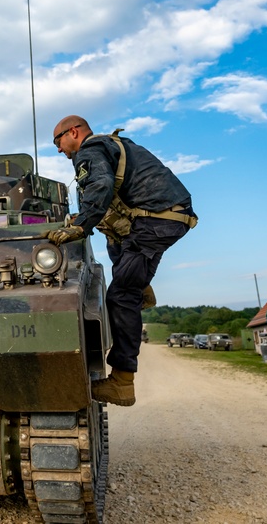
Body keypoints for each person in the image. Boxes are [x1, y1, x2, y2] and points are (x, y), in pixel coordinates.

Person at [48, 115, 197, 406]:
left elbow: (100, 188)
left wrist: (80, 226)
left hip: (157, 219)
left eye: (59, 141)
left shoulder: (90, 151)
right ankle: (139, 285)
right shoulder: (109, 147)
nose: (59, 149)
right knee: (119, 248)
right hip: (159, 218)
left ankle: (122, 382)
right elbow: (114, 227)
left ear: (74, 132)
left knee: (120, 297)